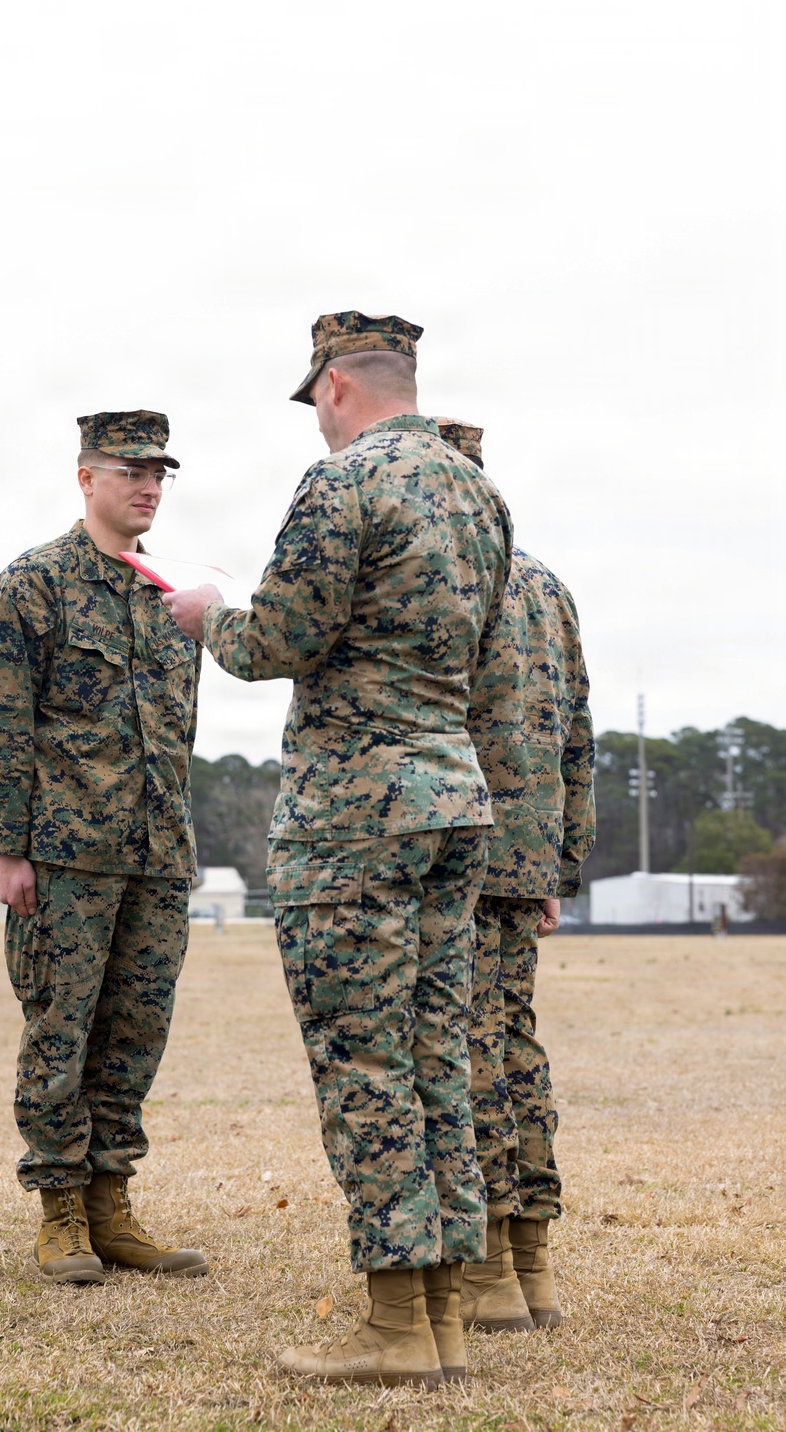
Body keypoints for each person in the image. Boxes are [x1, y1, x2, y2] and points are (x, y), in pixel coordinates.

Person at [165, 314, 512, 1385]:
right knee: (433, 1055)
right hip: (453, 798)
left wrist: (209, 611)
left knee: (364, 1061)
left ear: (330, 388)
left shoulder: (345, 483)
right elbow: (488, 650)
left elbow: (279, 640)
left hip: (357, 810)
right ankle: (443, 1309)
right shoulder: (478, 491)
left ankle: (398, 1323)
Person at [0, 410, 208, 1285]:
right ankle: (60, 1209)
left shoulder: (170, 598)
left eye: (158, 473)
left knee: (135, 1034)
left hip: (156, 854)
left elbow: (180, 735)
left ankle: (111, 1204)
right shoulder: (35, 583)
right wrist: (9, 845)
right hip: (65, 853)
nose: (146, 486)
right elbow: (2, 721)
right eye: (128, 470)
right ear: (85, 478)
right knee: (60, 1030)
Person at [436, 417, 595, 1333]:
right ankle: (531, 1259)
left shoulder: (460, 574)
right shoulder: (548, 584)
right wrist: (561, 863)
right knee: (516, 1045)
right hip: (526, 847)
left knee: (468, 1051)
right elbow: (579, 731)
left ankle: (494, 1262)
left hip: (458, 839)